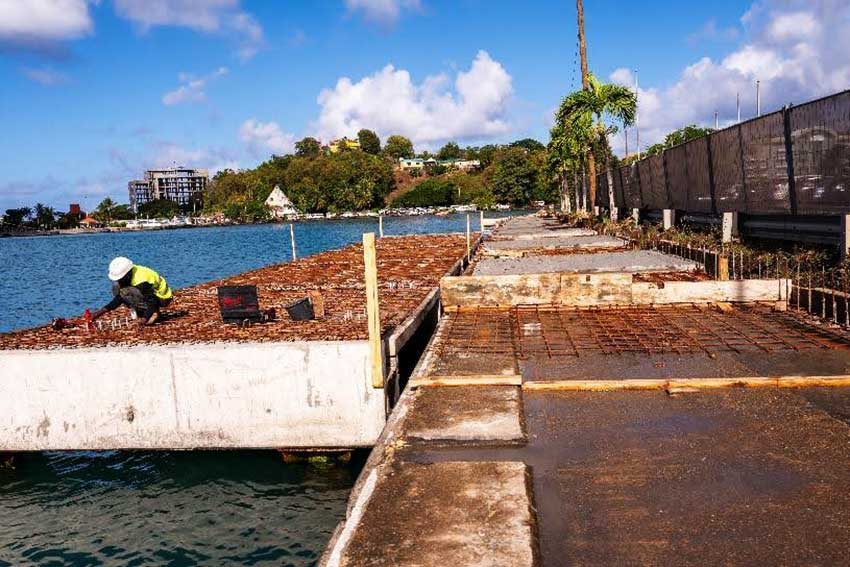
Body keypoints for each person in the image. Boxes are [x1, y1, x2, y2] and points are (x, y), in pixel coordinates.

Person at [91, 257, 173, 328]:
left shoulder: (141, 280)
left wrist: (144, 319)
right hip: (151, 296)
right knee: (117, 289)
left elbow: (152, 300)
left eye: (120, 278)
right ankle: (143, 311)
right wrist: (100, 312)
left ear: (127, 274)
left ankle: (153, 312)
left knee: (127, 291)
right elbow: (119, 298)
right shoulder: (130, 274)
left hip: (162, 297)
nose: (119, 281)